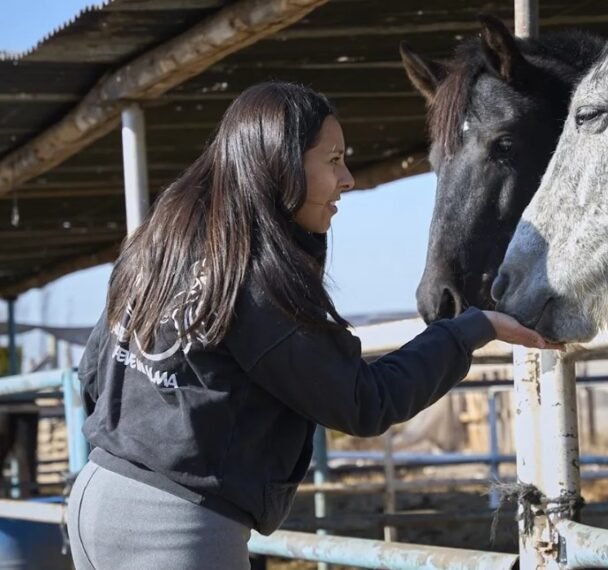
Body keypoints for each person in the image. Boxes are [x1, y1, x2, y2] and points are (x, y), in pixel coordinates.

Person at [67, 81, 554, 569]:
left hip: (95, 496)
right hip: (174, 529)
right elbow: (364, 400)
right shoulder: (253, 274)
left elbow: (92, 371)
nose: (348, 179)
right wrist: (469, 328)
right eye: (334, 160)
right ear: (280, 163)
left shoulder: (164, 238)